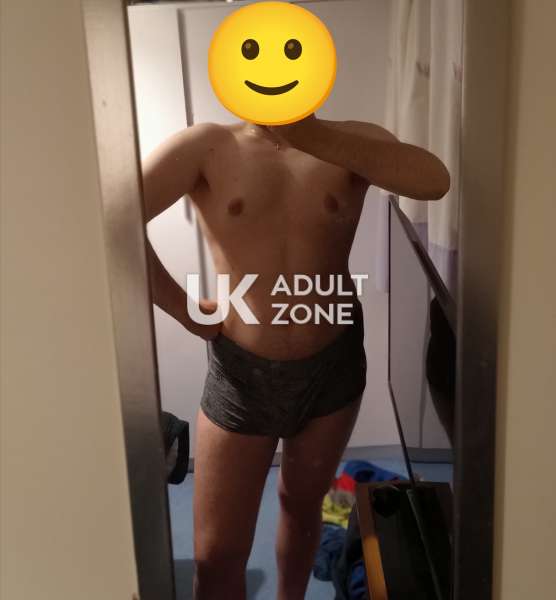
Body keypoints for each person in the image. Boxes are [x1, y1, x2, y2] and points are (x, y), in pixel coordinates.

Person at [141, 114, 449, 600]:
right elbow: (113, 216)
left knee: (303, 510)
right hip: (241, 377)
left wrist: (310, 135)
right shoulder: (206, 146)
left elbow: (433, 181)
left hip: (333, 368)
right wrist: (182, 308)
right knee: (216, 555)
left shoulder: (350, 140)